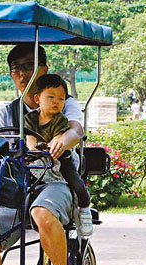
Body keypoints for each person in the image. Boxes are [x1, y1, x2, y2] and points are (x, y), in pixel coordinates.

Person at [0, 44, 86, 265]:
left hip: (55, 180)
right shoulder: (7, 112)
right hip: (17, 183)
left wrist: (63, 140)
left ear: (44, 69)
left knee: (42, 211)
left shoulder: (63, 102)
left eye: (29, 66)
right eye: (16, 69)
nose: (22, 74)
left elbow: (76, 130)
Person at [23, 73, 94, 236]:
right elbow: (30, 139)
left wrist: (52, 146)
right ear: (37, 99)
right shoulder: (30, 118)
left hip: (60, 159)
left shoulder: (60, 119)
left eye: (61, 99)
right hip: (37, 160)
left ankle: (84, 207)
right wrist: (34, 151)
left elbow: (57, 139)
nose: (56, 101)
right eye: (51, 97)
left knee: (75, 181)